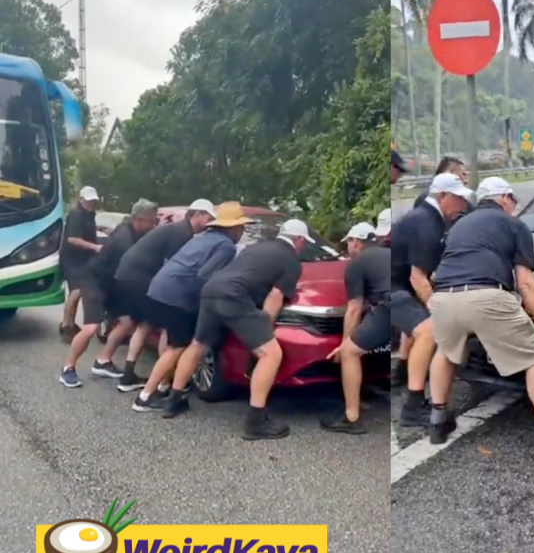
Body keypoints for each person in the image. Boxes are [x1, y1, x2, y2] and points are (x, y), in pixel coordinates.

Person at [426, 177, 534, 459]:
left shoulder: (459, 225)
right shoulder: (514, 225)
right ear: (505, 198)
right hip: (487, 295)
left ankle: (438, 422)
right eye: (513, 201)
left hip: (443, 296)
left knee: (446, 351)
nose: (514, 206)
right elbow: (526, 284)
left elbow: (435, 273)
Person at [162, 219, 310, 439]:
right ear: (298, 239)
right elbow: (275, 297)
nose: (303, 246)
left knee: (198, 345)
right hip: (235, 296)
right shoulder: (291, 260)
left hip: (211, 290)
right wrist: (263, 333)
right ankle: (255, 422)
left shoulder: (256, 247)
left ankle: (173, 401)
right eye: (303, 242)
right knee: (271, 354)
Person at [133, 202, 246, 413]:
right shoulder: (226, 246)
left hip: (159, 288)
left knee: (173, 343)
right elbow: (206, 276)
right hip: (178, 296)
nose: (242, 232)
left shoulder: (203, 238)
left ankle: (163, 386)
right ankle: (145, 397)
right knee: (178, 346)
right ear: (233, 228)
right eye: (242, 227)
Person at [391, 173, 474, 426]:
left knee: (426, 327)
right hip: (391, 290)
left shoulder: (430, 219)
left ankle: (408, 381)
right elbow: (418, 277)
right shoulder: (426, 222)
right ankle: (412, 407)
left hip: (400, 287)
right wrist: (438, 309)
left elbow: (430, 272)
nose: (461, 206)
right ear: (442, 196)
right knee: (429, 330)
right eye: (458, 199)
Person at [109, 199, 216, 392]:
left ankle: (128, 375)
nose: (209, 224)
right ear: (198, 215)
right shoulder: (183, 233)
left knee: (145, 322)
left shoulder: (176, 229)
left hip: (127, 275)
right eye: (208, 218)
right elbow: (172, 267)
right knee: (169, 322)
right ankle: (164, 383)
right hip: (140, 278)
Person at [59, 199, 158, 389]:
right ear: (139, 219)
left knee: (127, 322)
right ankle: (67, 369)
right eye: (151, 222)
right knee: (90, 328)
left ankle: (103, 361)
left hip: (111, 283)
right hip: (94, 281)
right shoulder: (124, 239)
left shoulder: (133, 230)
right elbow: (136, 269)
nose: (153, 226)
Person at [322, 222, 390, 434]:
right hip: (408, 306)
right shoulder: (388, 254)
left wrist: (344, 345)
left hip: (388, 307)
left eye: (349, 242)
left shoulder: (356, 263)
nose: (348, 248)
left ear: (356, 242)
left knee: (351, 352)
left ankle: (351, 418)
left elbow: (353, 309)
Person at [59, 186, 102, 338]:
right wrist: (95, 247)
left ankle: (70, 323)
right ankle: (65, 325)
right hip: (72, 259)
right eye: (88, 200)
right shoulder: (77, 215)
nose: (91, 203)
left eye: (93, 201)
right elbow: (72, 239)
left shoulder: (89, 215)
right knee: (76, 291)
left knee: (77, 291)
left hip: (83, 260)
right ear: (81, 199)